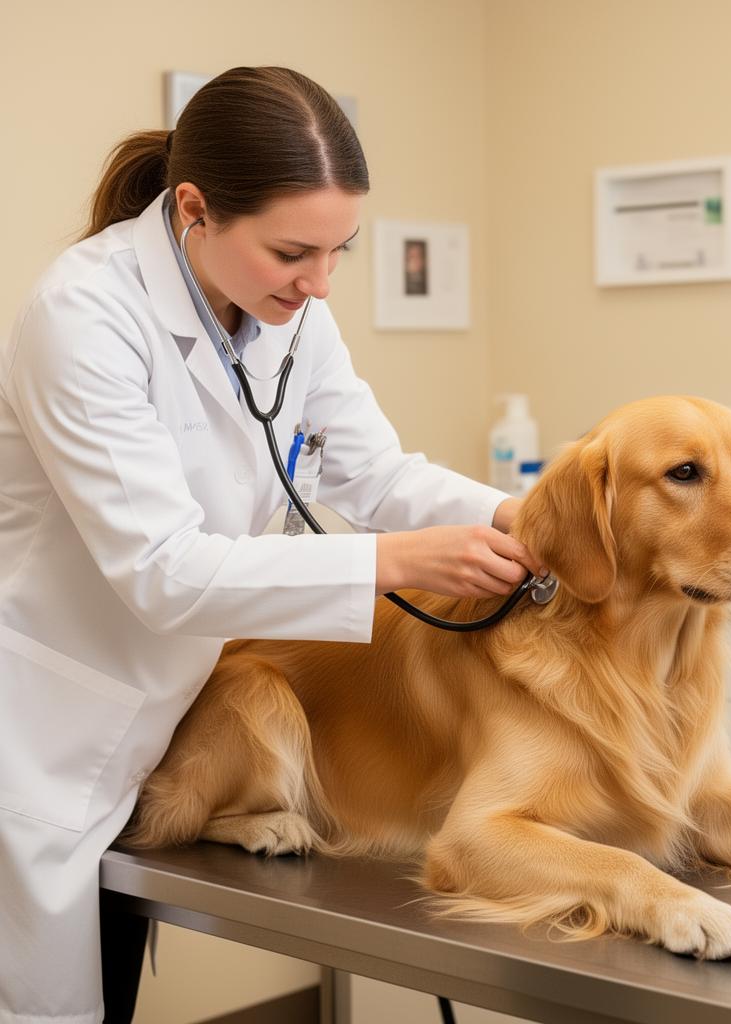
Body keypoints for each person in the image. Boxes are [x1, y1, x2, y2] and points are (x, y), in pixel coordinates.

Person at [0, 66, 542, 1024]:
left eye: (341, 251)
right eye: (294, 251)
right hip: (40, 736)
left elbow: (372, 473)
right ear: (196, 209)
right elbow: (165, 571)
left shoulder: (292, 320)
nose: (320, 283)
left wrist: (518, 521)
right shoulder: (83, 318)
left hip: (151, 728)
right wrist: (395, 562)